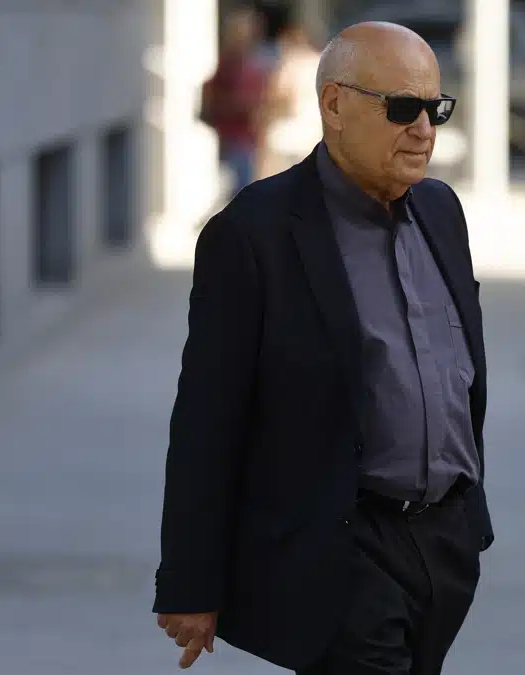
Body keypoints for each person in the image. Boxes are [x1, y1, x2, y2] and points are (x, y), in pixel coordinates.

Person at [153, 21, 493, 675]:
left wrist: (468, 517)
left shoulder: (441, 211)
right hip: (343, 550)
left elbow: (460, 371)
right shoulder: (254, 233)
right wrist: (189, 581)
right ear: (334, 105)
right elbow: (207, 419)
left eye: (436, 109)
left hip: (444, 545)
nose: (424, 130)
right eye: (403, 108)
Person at [201, 7, 268, 195]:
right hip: (233, 140)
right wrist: (239, 106)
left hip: (249, 140)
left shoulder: (255, 63)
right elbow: (212, 97)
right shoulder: (228, 65)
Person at [257, 16, 324, 179]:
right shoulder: (322, 63)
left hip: (287, 135)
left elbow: (279, 98)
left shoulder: (290, 65)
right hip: (314, 135)